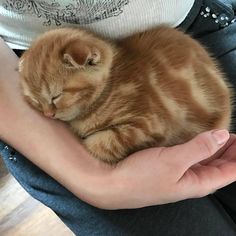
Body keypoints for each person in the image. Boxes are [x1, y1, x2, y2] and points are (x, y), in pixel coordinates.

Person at [1, 0, 236, 235]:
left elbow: (147, 125)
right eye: (38, 102)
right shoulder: (52, 84)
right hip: (16, 84)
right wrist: (94, 179)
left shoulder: (101, 79)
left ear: (93, 60)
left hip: (195, 23)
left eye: (54, 100)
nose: (48, 113)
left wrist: (99, 149)